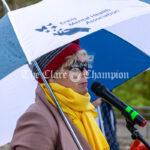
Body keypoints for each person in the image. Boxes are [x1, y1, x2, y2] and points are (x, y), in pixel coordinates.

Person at [10, 40, 148, 150]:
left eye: (86, 66)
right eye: (77, 67)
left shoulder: (83, 112)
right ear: (50, 75)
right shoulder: (38, 118)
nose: (86, 73)